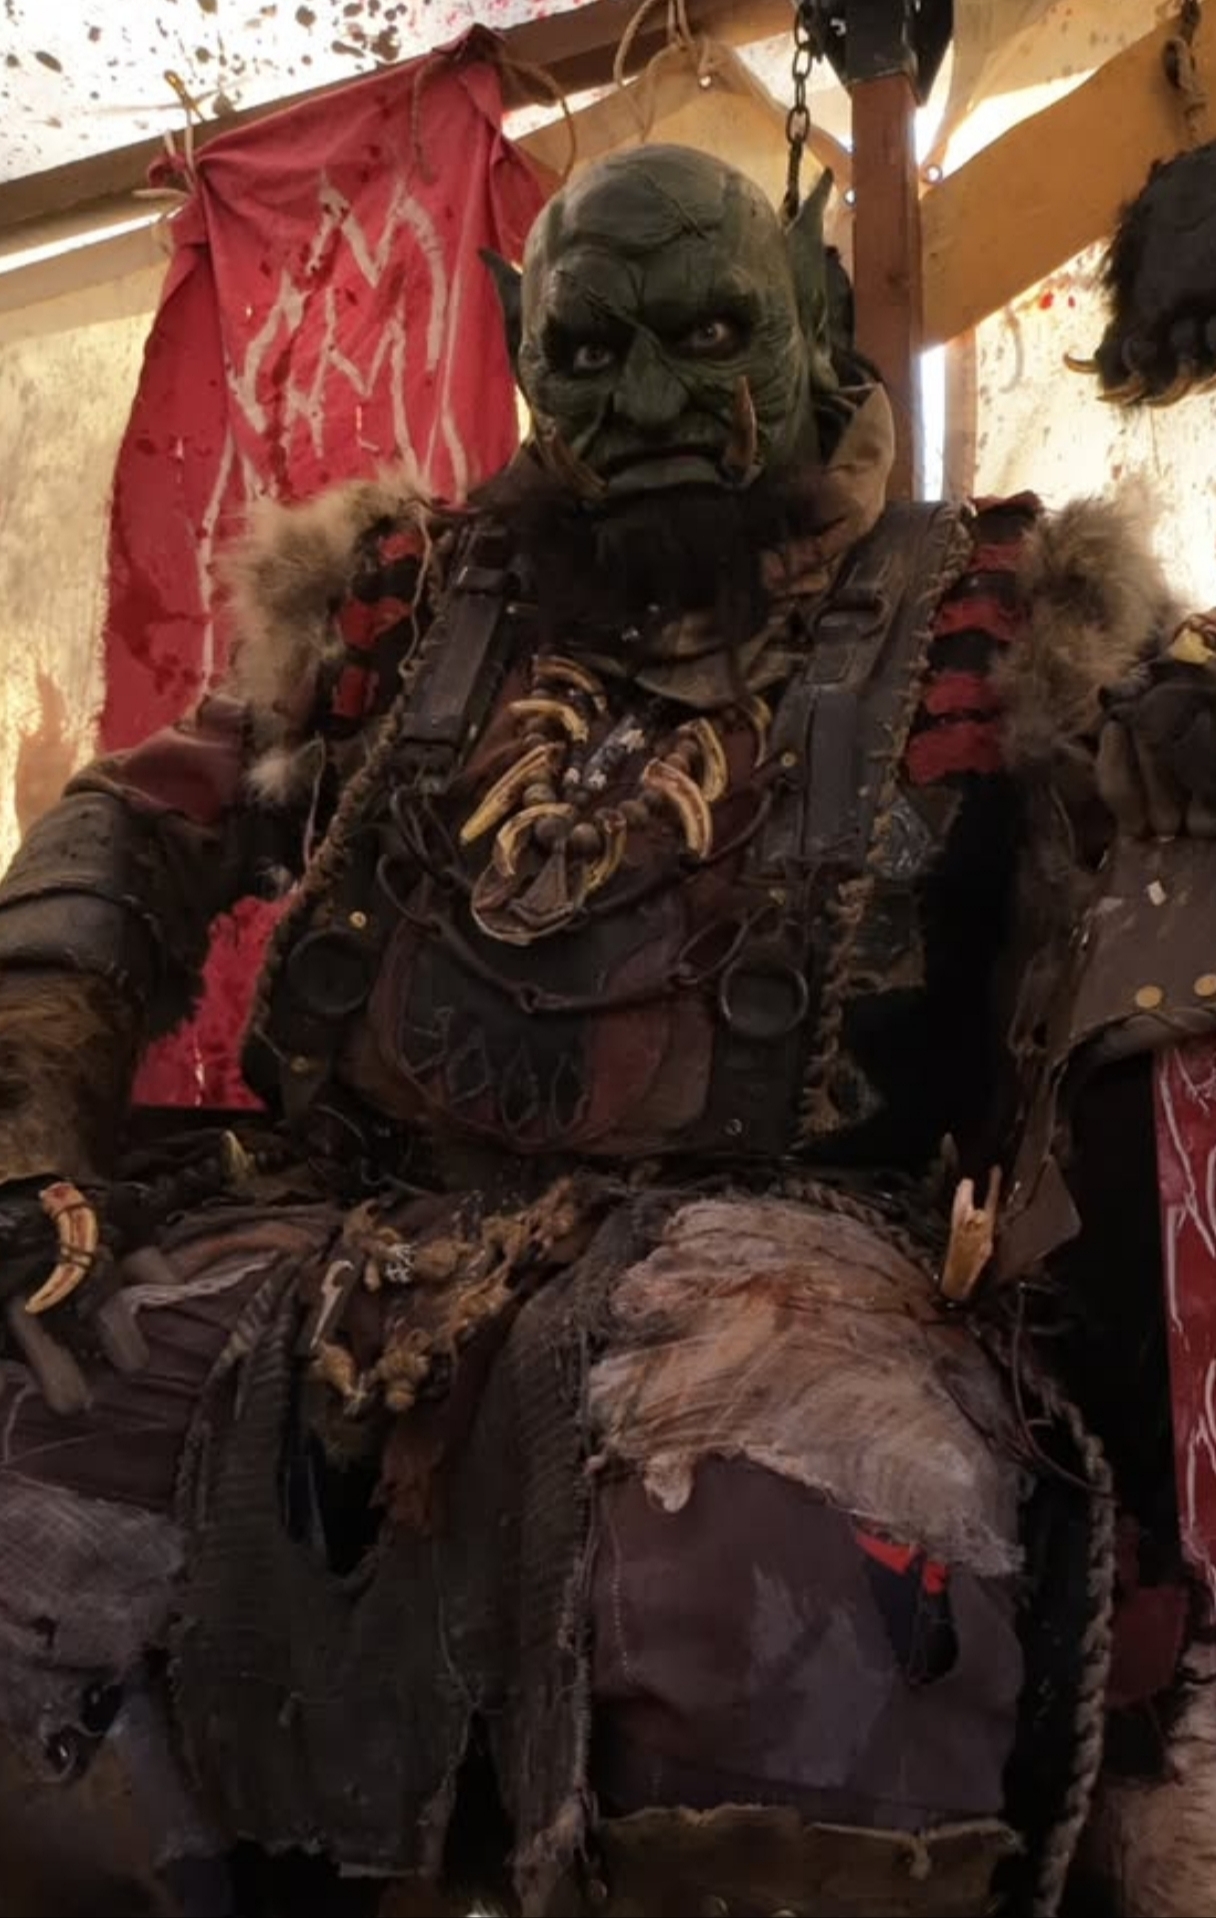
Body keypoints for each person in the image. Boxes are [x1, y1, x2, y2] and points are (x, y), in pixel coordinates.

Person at [0, 143, 1213, 1918]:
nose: (645, 399)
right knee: (45, 1465)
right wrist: (26, 1129)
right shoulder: (405, 600)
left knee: (774, 1576)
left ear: (810, 313)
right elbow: (133, 822)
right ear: (518, 347)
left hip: (798, 1260)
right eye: (589, 348)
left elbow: (1147, 847)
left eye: (706, 334)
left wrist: (1175, 747)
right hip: (347, 1224)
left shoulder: (994, 608)